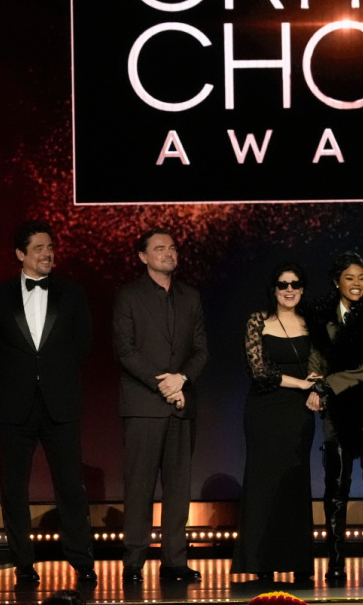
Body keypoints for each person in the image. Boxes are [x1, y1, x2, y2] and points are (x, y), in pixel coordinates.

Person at [0, 220, 97, 585]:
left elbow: (83, 343)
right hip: (14, 406)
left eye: (51, 247)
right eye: (40, 248)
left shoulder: (71, 294)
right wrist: (17, 375)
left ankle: (82, 561)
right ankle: (23, 564)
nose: (48, 254)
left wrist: (53, 374)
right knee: (14, 489)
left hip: (61, 404)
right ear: (20, 254)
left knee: (71, 487)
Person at [112, 228, 209, 583]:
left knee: (178, 488)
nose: (168, 253)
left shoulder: (190, 296)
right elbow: (125, 351)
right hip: (144, 404)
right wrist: (164, 384)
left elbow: (200, 350)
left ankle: (174, 561)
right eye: (159, 248)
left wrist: (181, 379)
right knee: (139, 486)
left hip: (182, 404)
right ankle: (134, 561)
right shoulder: (128, 296)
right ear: (143, 256)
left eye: (172, 247)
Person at [308, 251, 363, 583]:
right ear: (337, 282)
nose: (357, 284)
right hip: (338, 412)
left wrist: (328, 384)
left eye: (361, 278)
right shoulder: (322, 316)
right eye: (349, 278)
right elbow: (316, 358)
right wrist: (314, 384)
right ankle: (335, 561)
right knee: (336, 490)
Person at [231, 262, 318, 581]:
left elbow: (320, 363)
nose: (289, 290)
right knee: (263, 484)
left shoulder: (312, 323)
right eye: (283, 284)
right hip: (264, 411)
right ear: (274, 289)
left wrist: (316, 388)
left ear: (302, 289)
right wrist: (302, 384)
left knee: (295, 483)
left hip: (298, 414)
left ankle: (299, 563)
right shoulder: (258, 321)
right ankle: (262, 563)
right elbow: (260, 372)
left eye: (295, 284)